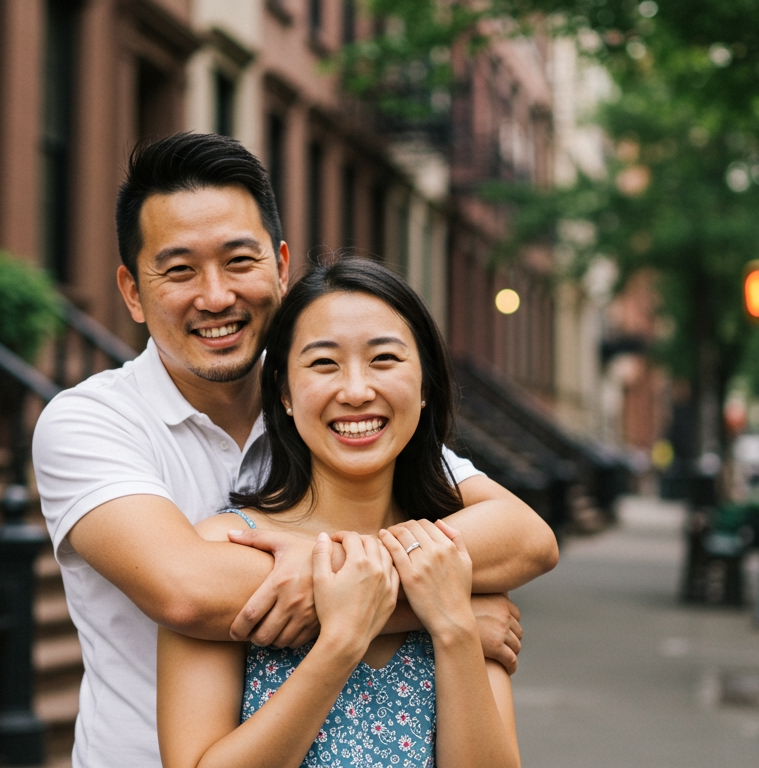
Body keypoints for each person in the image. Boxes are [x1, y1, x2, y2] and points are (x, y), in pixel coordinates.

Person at [33, 131, 557, 767]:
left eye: (239, 260)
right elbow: (188, 592)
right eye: (179, 270)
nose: (217, 296)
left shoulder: (332, 412)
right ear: (132, 293)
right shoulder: (92, 420)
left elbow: (525, 538)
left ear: (281, 267)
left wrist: (379, 585)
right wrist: (437, 610)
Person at [157, 255, 521, 768]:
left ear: (425, 389)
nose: (355, 391)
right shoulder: (226, 549)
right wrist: (343, 639)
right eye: (324, 363)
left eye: (385, 360)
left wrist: (456, 629)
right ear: (283, 392)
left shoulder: (451, 558)